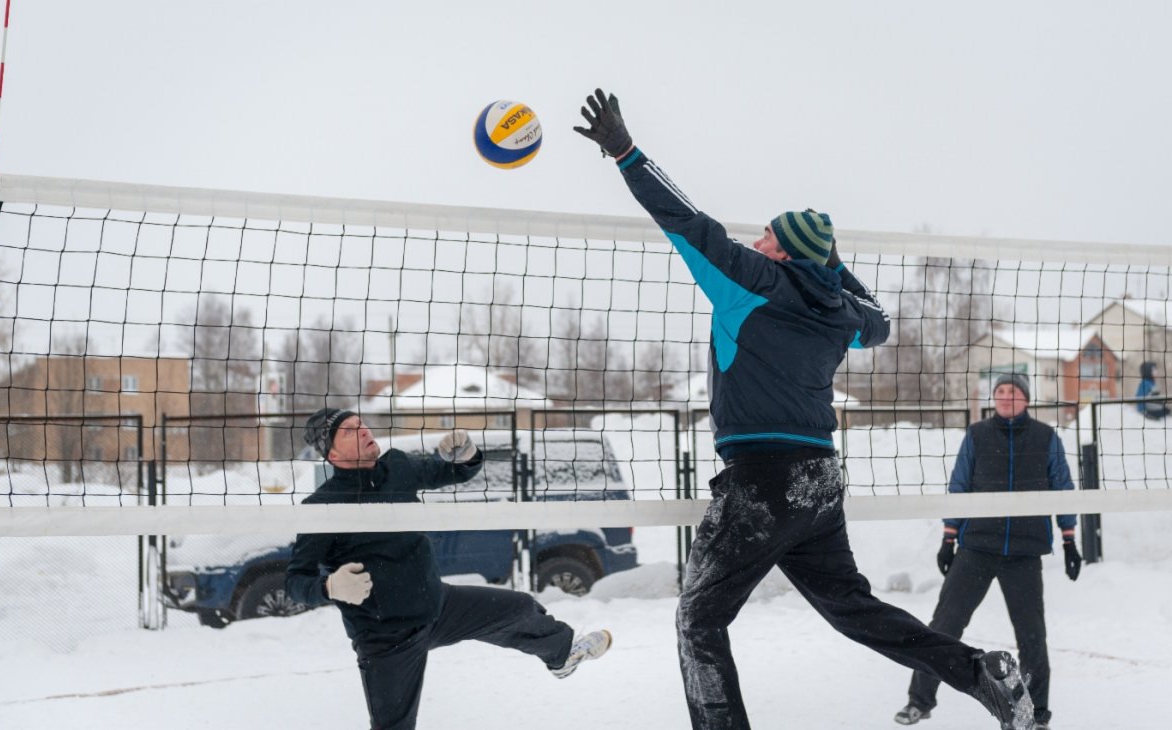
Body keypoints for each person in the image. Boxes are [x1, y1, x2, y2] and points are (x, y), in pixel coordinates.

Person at [573, 88, 1034, 730]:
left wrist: (626, 152)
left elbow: (683, 219)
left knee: (698, 618)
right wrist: (835, 265)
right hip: (817, 481)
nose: (755, 238)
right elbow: (879, 323)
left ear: (782, 251)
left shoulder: (749, 280)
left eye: (766, 233)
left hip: (764, 484)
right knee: (853, 609)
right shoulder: (839, 313)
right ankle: (979, 671)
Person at [285, 408, 611, 730]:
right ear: (331, 452)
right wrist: (330, 587)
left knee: (520, 608)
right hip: (385, 636)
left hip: (438, 606)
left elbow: (453, 472)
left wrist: (466, 456)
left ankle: (562, 655)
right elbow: (295, 582)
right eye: (349, 430)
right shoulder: (321, 508)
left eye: (362, 424)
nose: (365, 431)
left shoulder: (396, 466)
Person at [895, 373, 1080, 730]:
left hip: (1024, 552)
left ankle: (1037, 714)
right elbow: (960, 483)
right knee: (944, 626)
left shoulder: (1045, 437)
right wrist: (949, 536)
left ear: (1026, 398)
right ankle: (919, 700)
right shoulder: (977, 434)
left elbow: (1064, 486)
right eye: (1000, 391)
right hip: (977, 546)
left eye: (1013, 391)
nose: (1006, 397)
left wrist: (1069, 538)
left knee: (1032, 637)